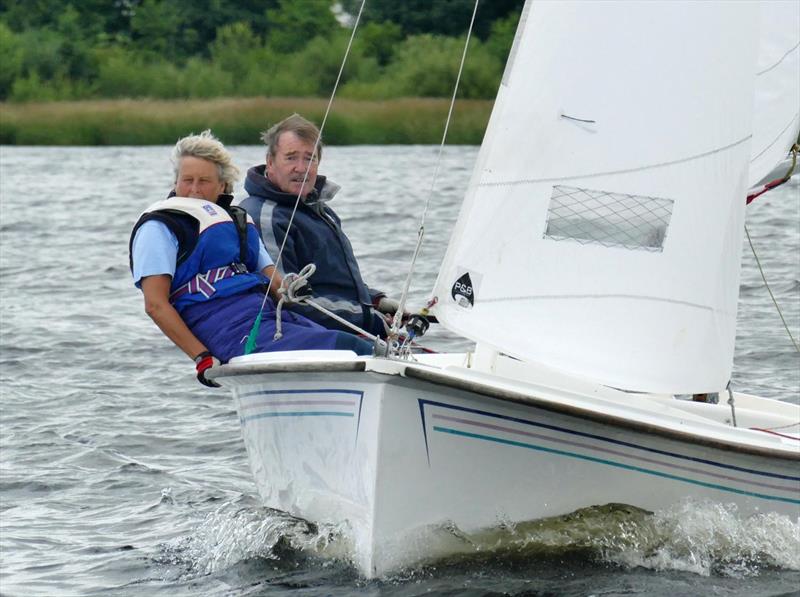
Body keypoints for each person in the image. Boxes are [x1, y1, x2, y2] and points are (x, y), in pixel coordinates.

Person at [129, 130, 373, 387]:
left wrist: (292, 288)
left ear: (222, 186)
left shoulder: (239, 222)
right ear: (176, 182)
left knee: (363, 344)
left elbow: (274, 282)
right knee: (345, 347)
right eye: (187, 180)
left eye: (204, 181)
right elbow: (155, 304)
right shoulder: (160, 227)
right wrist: (201, 357)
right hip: (225, 330)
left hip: (266, 317)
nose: (194, 190)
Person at [239, 114, 403, 339]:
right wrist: (368, 318)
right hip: (305, 339)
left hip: (345, 330)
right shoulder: (265, 217)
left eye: (310, 158)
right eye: (291, 158)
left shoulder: (319, 211)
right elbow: (288, 298)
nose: (301, 168)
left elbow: (332, 284)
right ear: (270, 162)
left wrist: (376, 301)